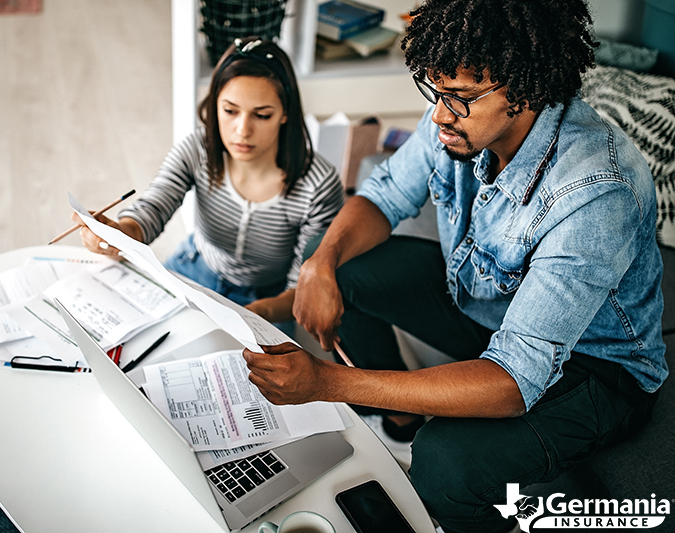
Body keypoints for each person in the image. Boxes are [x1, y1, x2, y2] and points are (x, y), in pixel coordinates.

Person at [242, 1, 668, 531]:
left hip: (595, 369)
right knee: (340, 263)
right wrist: (319, 264)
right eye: (435, 92)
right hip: (488, 301)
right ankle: (400, 418)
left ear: (526, 88)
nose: (441, 115)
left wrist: (328, 383)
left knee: (446, 462)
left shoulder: (597, 190)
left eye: (461, 99)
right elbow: (384, 196)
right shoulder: (457, 117)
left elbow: (513, 382)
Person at [73, 37, 343, 327]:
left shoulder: (318, 185)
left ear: (285, 113)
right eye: (229, 111)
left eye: (262, 115)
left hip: (271, 300)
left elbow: (303, 286)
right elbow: (154, 206)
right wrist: (118, 234)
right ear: (214, 105)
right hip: (196, 267)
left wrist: (255, 315)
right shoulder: (197, 148)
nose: (242, 131)